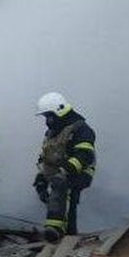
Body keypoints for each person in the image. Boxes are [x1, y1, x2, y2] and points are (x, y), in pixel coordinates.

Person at [33, 92, 96, 242]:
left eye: (49, 116)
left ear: (59, 111)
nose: (47, 121)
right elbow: (45, 158)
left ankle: (56, 230)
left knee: (63, 186)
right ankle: (63, 231)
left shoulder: (81, 129)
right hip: (58, 172)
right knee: (56, 188)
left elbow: (85, 155)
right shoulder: (51, 133)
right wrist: (41, 179)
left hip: (81, 171)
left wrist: (67, 169)